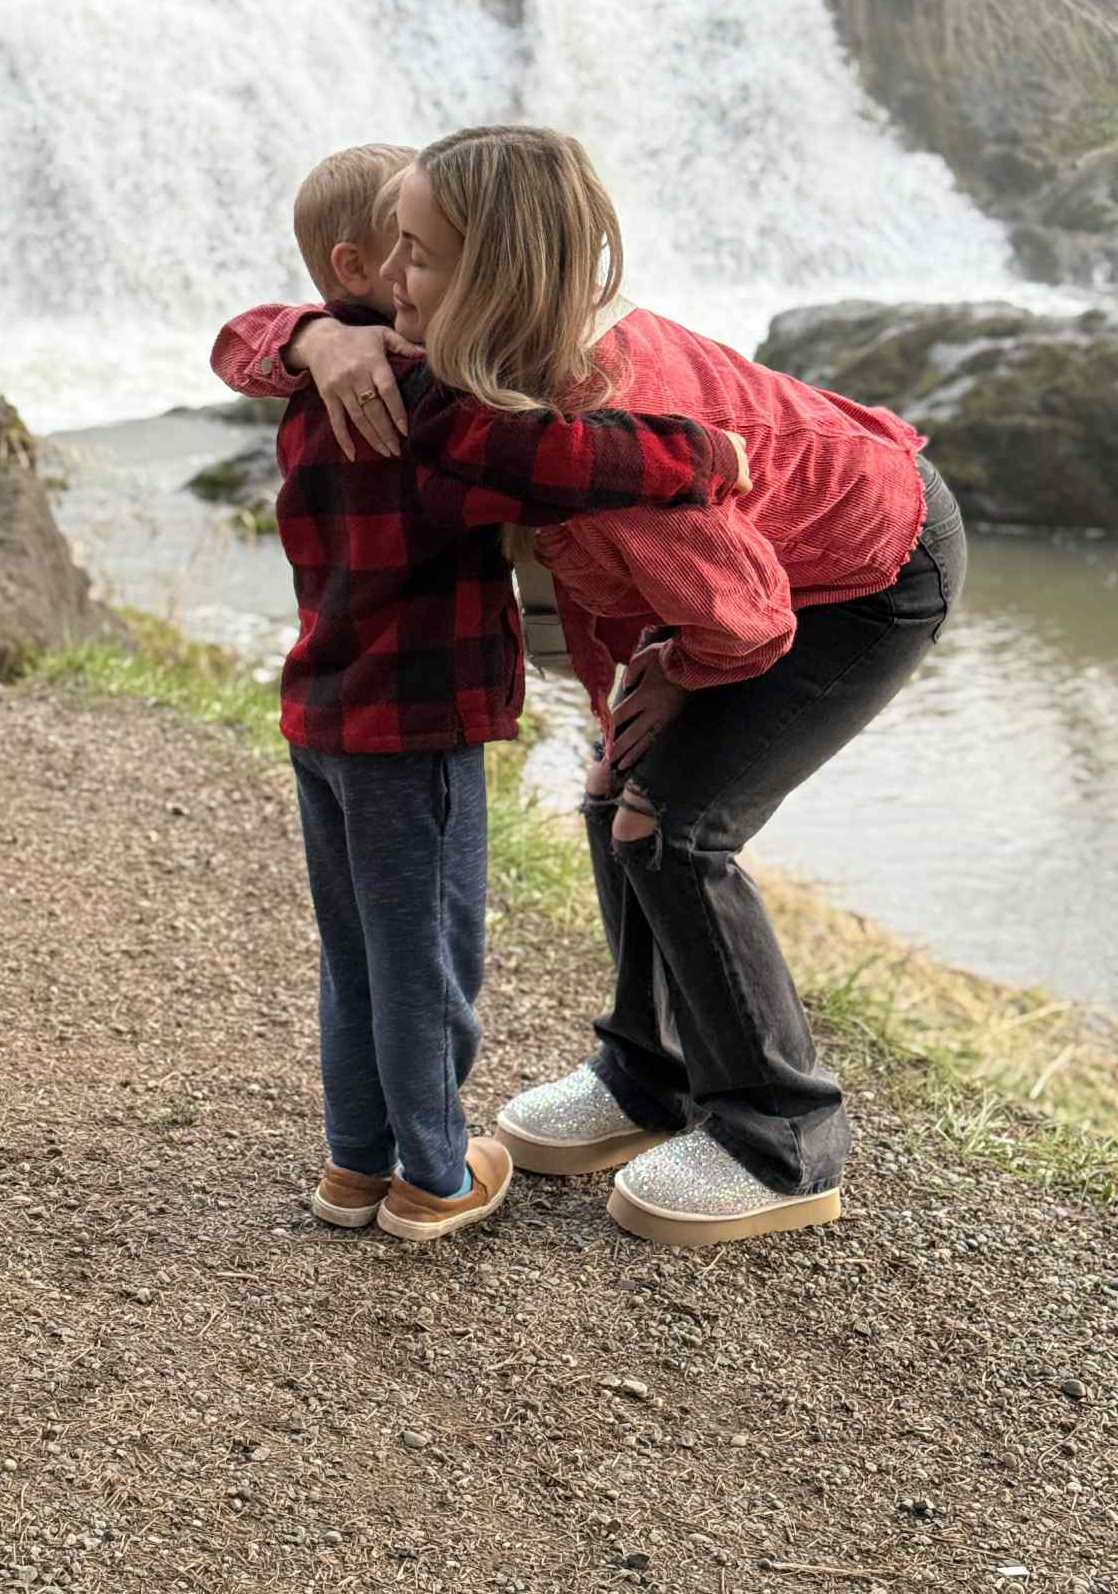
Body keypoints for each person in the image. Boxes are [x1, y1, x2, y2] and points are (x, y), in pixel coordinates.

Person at [218, 124, 967, 1249]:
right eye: (387, 250)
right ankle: (647, 1075)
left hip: (867, 567)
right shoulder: (469, 366)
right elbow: (263, 331)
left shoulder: (590, 424)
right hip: (743, 571)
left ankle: (782, 1136)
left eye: (415, 253)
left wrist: (677, 666)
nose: (392, 274)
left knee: (671, 820)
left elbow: (746, 612)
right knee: (609, 792)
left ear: (496, 270)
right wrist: (317, 332)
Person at [210, 143, 750, 1244]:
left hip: (321, 713)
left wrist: (313, 332)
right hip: (416, 729)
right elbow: (569, 455)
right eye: (410, 253)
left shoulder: (321, 388)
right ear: (363, 265)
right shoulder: (431, 402)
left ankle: (355, 1166)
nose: (427, 272)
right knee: (429, 957)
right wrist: (707, 452)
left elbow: (241, 339)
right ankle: (437, 1174)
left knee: (358, 951)